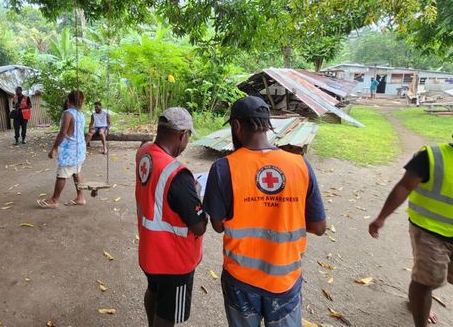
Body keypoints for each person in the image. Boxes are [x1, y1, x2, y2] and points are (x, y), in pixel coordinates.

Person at [203, 96, 326, 327]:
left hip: (240, 280)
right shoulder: (300, 165)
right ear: (268, 125)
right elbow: (319, 227)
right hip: (285, 282)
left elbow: (218, 226)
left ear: (237, 126)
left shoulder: (223, 168)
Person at [135, 107, 207, 327]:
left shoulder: (144, 153)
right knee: (167, 314)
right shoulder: (178, 174)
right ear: (182, 135)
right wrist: (198, 198)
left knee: (154, 292)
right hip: (173, 260)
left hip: (150, 251)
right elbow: (199, 227)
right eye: (188, 137)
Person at [369, 140, 453, 327]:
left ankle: (419, 301)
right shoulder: (431, 157)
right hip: (430, 231)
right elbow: (404, 186)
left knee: (439, 277)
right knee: (426, 281)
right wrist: (381, 217)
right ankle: (420, 314)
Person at [38, 90, 87, 209]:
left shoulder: (68, 113)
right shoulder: (80, 114)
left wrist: (54, 148)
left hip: (69, 151)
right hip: (79, 148)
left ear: (68, 100)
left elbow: (62, 133)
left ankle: (54, 200)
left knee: (62, 174)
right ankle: (81, 197)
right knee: (76, 172)